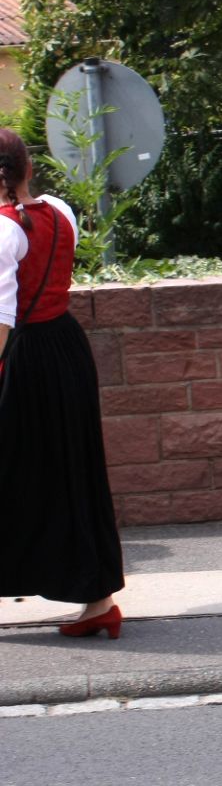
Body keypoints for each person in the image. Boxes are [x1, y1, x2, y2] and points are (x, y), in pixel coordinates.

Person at [0, 128, 125, 636]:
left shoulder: (4, 231)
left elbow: (2, 318)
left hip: (26, 359)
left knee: (14, 475)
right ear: (29, 168)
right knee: (74, 473)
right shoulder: (61, 212)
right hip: (67, 350)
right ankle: (98, 602)